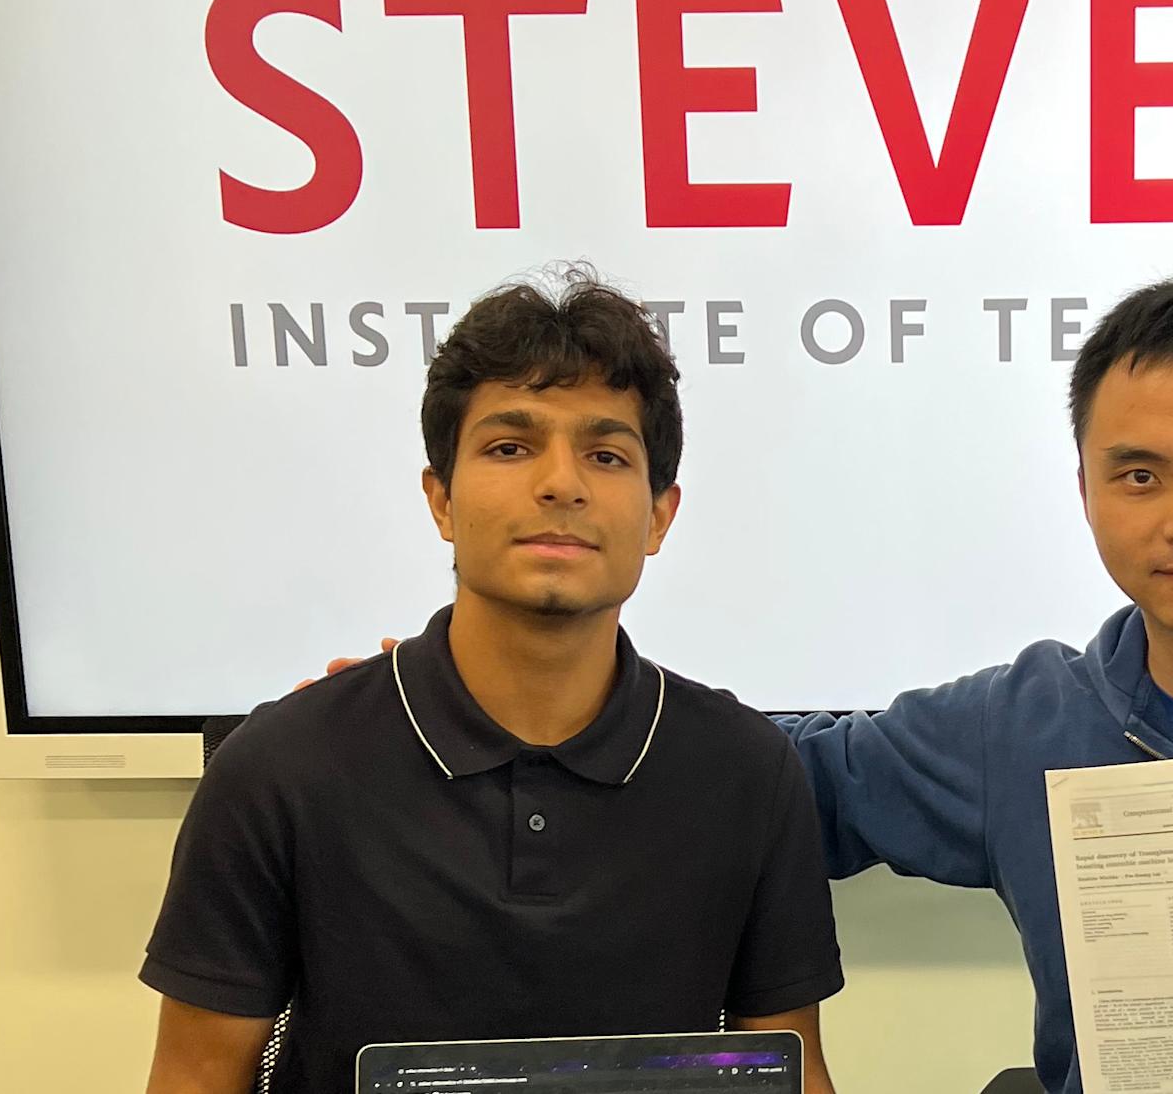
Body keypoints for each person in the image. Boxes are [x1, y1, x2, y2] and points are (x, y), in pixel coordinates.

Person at [334, 270, 1173, 1094]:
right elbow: (763, 772)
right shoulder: (1033, 724)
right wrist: (474, 701)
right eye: (1138, 474)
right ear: (1085, 491)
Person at [143, 270, 843, 1094]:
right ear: (441, 499)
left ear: (659, 515)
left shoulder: (747, 772)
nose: (561, 484)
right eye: (510, 447)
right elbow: (194, 1076)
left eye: (606, 455)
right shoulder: (280, 768)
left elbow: (792, 1068)